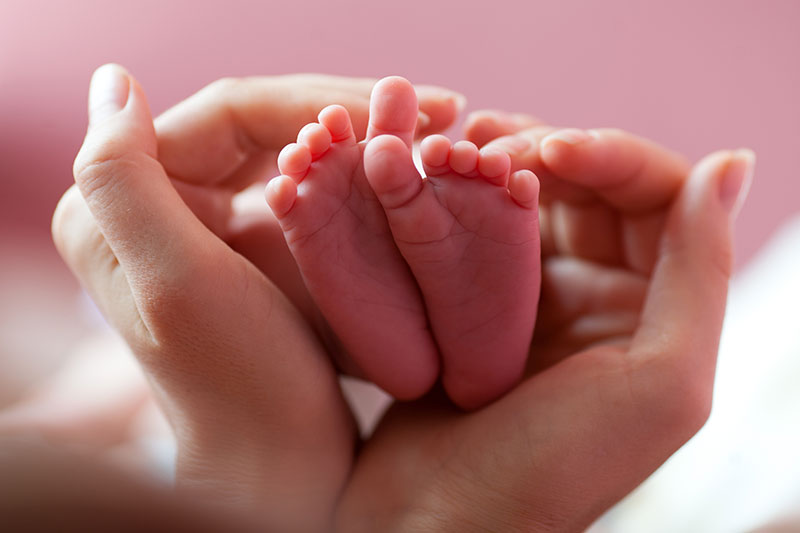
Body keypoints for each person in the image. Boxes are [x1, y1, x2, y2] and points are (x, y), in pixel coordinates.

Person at [40, 63, 752, 531]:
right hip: (168, 480)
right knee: (139, 362)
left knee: (137, 368)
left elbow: (52, 445)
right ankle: (325, 291)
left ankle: (328, 301)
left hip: (189, 456)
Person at [265, 76, 541, 408]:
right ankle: (489, 350)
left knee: (252, 233)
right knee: (256, 223)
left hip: (283, 312)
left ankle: (364, 326)